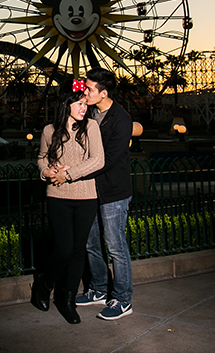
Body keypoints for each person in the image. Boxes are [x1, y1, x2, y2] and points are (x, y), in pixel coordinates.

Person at [31, 80, 105, 325]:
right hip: (58, 196)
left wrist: (68, 173)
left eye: (85, 103)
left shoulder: (91, 127)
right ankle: (45, 284)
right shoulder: (49, 130)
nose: (84, 107)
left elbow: (98, 160)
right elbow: (41, 158)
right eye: (79, 103)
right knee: (63, 248)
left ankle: (68, 299)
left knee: (77, 250)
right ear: (66, 104)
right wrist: (47, 173)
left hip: (86, 196)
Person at [76, 67, 134, 320]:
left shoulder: (121, 120)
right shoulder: (89, 115)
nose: (84, 92)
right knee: (91, 244)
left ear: (104, 92)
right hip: (91, 190)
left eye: (89, 89)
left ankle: (122, 299)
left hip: (113, 192)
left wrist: (75, 173)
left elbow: (108, 159)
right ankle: (98, 289)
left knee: (115, 247)